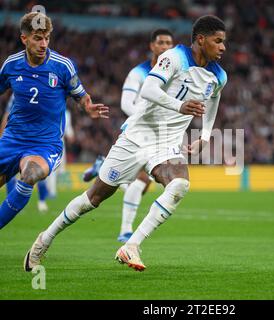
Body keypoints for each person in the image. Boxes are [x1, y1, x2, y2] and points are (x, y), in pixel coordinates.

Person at [24, 15, 227, 272]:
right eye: (218, 41)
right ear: (201, 39)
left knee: (179, 185)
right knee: (93, 198)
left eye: (224, 42)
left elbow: (213, 101)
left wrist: (206, 136)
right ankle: (45, 239)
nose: (223, 47)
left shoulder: (218, 76)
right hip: (136, 136)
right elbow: (149, 90)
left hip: (166, 143)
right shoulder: (174, 58)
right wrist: (180, 106)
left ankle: (132, 245)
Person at [0, 12, 109, 229]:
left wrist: (88, 107)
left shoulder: (62, 66)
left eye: (47, 38)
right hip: (12, 139)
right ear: (24, 39)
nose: (43, 44)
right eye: (37, 38)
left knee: (30, 174)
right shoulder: (11, 65)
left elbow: (81, 95)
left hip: (45, 143)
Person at [83, 29, 174, 242]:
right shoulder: (138, 73)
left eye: (169, 43)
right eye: (161, 42)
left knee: (142, 184)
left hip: (160, 135)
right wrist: (150, 121)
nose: (165, 47)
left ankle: (103, 167)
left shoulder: (175, 73)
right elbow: (126, 104)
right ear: (152, 46)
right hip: (139, 132)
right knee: (142, 181)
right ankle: (125, 230)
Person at [1, 94, 50, 212]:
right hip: (17, 140)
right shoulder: (17, 95)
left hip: (39, 142)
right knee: (8, 175)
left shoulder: (47, 93)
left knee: (35, 172)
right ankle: (12, 202)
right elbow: (7, 116)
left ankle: (42, 200)